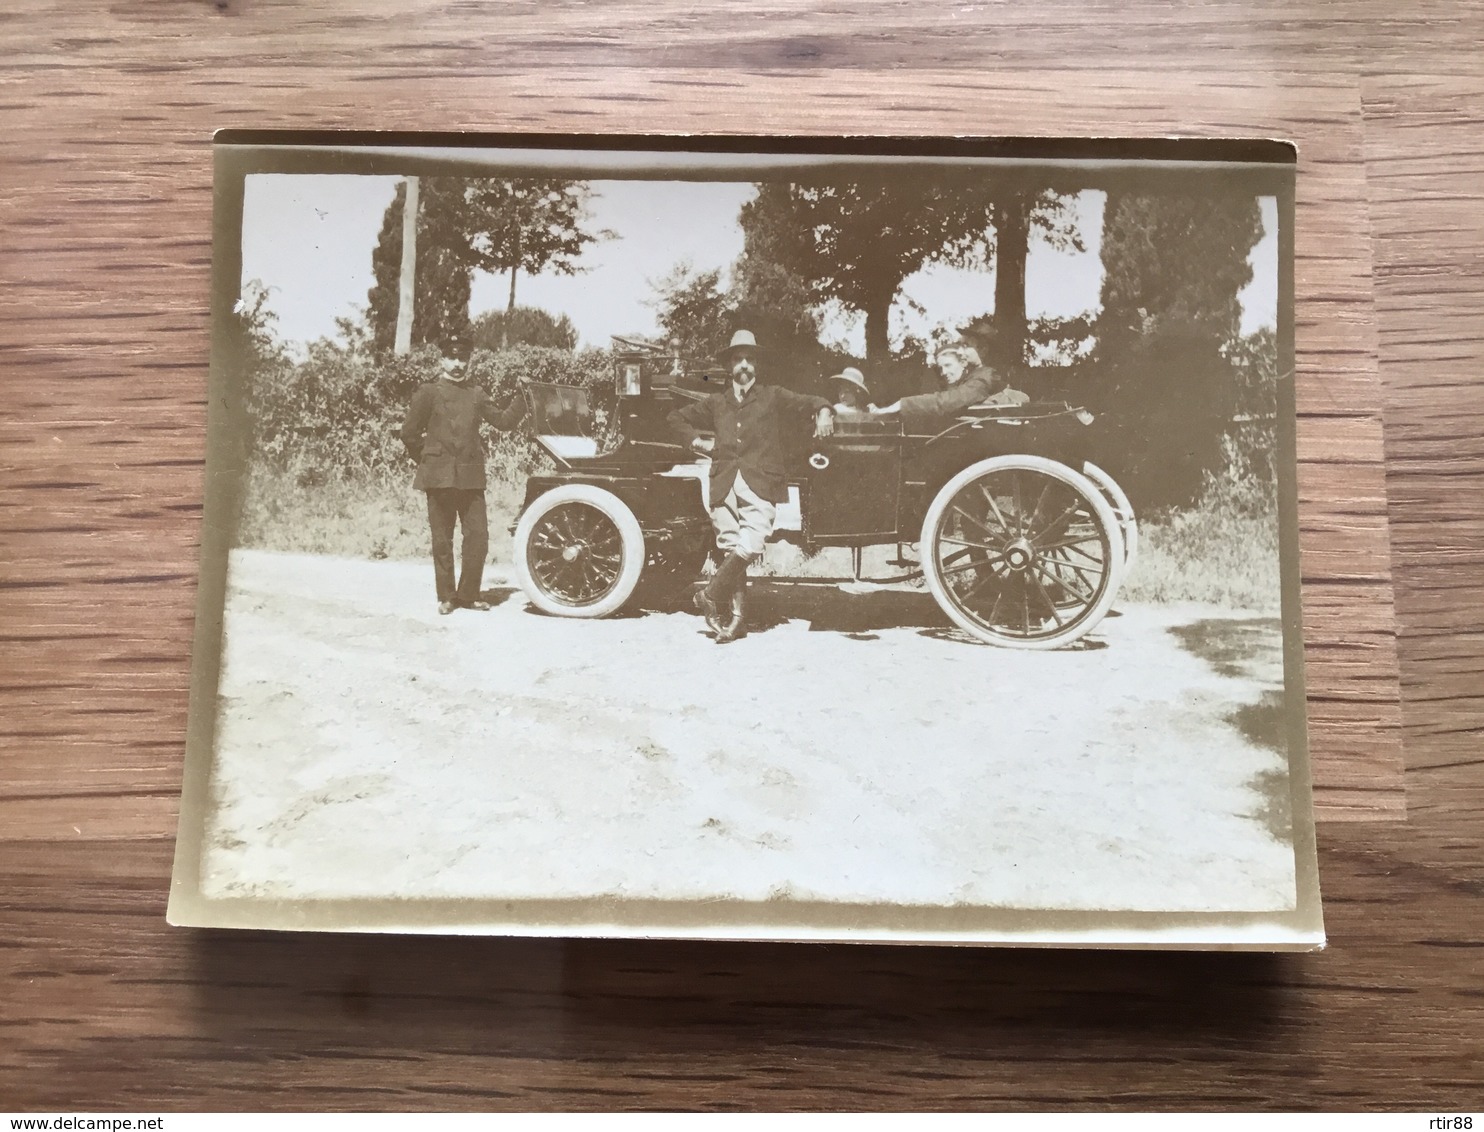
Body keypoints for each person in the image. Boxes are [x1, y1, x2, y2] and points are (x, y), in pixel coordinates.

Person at [667, 329, 835, 642]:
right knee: (731, 548)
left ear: (756, 365)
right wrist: (696, 442)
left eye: (750, 359)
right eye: (738, 359)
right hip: (723, 483)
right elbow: (675, 417)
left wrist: (824, 410)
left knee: (753, 544)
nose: (744, 365)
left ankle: (710, 595)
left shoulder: (773, 395)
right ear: (729, 366)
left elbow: (811, 401)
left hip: (760, 483)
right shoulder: (716, 401)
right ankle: (737, 620)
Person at [400, 356, 525, 616]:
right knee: (442, 540)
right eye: (452, 357)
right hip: (438, 478)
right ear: (442, 360)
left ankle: (469, 595)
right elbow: (409, 432)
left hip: (470, 479)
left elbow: (503, 421)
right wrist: (428, 458)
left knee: (478, 537)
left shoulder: (476, 393)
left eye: (463, 358)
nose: (458, 363)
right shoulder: (428, 392)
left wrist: (523, 396)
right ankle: (446, 597)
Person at [871, 342, 1024, 429]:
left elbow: (951, 400)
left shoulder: (983, 378)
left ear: (963, 363)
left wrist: (902, 404)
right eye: (941, 368)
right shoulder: (966, 380)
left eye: (948, 365)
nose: (943, 372)